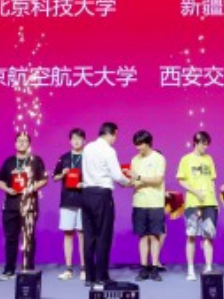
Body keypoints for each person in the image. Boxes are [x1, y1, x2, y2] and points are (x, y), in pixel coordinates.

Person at [81, 122, 132, 286]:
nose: (115, 139)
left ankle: (89, 277)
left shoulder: (88, 147)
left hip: (86, 194)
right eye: (116, 135)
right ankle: (101, 276)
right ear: (112, 133)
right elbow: (117, 176)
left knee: (89, 237)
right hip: (102, 195)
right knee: (103, 236)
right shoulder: (109, 150)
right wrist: (130, 181)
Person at [0, 132, 48, 280]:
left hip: (29, 206)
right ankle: (9, 269)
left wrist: (30, 188)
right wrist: (8, 189)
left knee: (28, 238)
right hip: (10, 205)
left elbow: (44, 179)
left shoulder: (35, 160)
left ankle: (28, 269)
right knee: (10, 238)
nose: (22, 143)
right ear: (15, 143)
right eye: (19, 141)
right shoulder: (9, 162)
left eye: (25, 141)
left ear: (29, 144)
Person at [177, 131, 218, 281]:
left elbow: (212, 181)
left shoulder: (209, 159)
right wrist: (195, 192)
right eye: (203, 143)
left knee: (208, 236)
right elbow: (181, 180)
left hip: (209, 202)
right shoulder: (186, 159)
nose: (205, 147)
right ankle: (190, 269)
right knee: (191, 235)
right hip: (193, 202)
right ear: (195, 142)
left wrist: (215, 201)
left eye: (207, 144)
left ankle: (208, 267)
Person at [129, 130, 166, 282]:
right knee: (143, 236)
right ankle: (144, 268)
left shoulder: (159, 158)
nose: (137, 147)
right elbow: (134, 182)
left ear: (148, 143)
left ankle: (155, 268)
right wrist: (125, 181)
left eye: (140, 144)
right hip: (139, 202)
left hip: (155, 202)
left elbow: (157, 180)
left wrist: (138, 177)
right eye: (136, 144)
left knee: (155, 236)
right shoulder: (134, 160)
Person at [53, 128, 87, 281]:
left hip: (84, 200)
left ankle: (84, 268)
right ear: (70, 141)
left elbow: (94, 177)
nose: (76, 141)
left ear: (84, 140)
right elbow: (55, 177)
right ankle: (68, 269)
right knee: (68, 234)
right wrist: (63, 174)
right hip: (67, 200)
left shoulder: (88, 157)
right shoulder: (64, 158)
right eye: (73, 138)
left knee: (82, 234)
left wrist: (84, 184)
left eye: (79, 138)